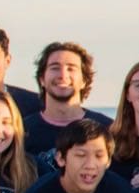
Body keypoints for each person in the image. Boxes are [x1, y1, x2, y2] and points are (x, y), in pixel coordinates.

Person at [22, 41, 104, 172]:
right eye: (55, 68)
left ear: (84, 80)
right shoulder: (22, 131)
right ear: (42, 79)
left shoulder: (106, 128)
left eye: (71, 68)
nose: (62, 75)